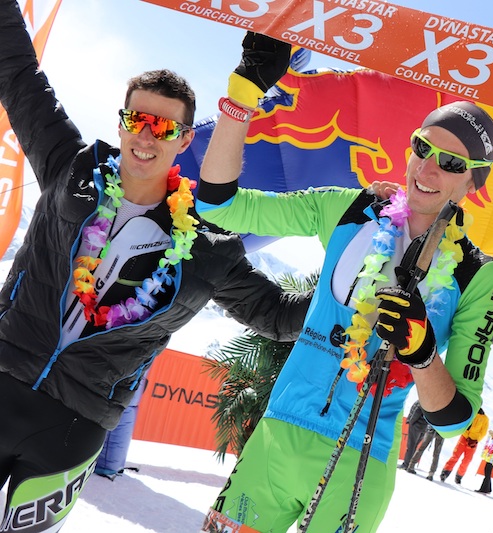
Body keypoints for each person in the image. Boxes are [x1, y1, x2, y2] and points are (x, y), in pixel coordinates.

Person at [0, 3, 309, 531]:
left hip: (75, 426)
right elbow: (19, 75)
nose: (147, 136)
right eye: (137, 120)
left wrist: (367, 280)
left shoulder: (207, 245)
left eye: (164, 127)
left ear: (185, 139)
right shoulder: (70, 166)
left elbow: (277, 315)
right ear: (121, 124)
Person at [196, 32, 493, 533]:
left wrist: (422, 353)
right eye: (422, 148)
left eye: (452, 163)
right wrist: (243, 95)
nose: (428, 168)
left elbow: (454, 419)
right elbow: (218, 204)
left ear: (474, 183)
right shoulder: (351, 209)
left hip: (358, 468)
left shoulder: (477, 275)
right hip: (275, 443)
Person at [440, 407, 489, 484]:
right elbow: (464, 424)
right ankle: (445, 473)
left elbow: (483, 432)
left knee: (467, 460)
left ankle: (459, 476)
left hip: (473, 442)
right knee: (455, 456)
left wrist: (475, 440)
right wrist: (465, 434)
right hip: (464, 437)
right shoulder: (471, 412)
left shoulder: (485, 418)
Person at [398, 400, 428, 471]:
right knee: (414, 446)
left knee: (411, 446)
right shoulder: (430, 404)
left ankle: (406, 464)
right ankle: (410, 465)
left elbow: (416, 412)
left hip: (415, 426)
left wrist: (411, 421)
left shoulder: (422, 401)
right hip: (423, 428)